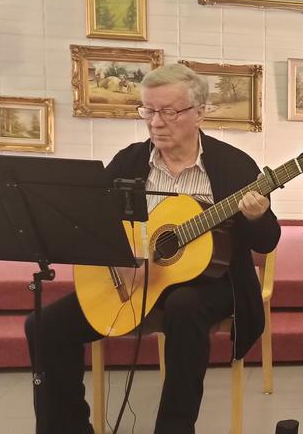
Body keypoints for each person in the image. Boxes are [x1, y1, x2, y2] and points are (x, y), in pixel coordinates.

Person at [24, 64, 281, 434]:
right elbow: (94, 226)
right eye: (148, 110)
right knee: (44, 324)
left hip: (216, 282)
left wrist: (257, 217)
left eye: (169, 112)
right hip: (134, 282)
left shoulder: (233, 165)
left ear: (200, 112)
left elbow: (266, 241)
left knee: (184, 306)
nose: (156, 123)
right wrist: (119, 260)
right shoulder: (129, 161)